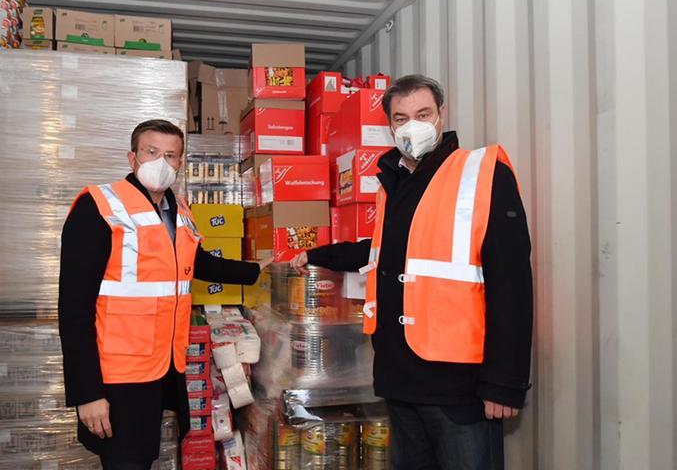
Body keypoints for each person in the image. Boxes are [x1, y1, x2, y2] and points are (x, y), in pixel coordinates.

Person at [290, 75, 533, 470]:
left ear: (441, 115)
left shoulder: (481, 173)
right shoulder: (395, 182)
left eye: (423, 113)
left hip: (459, 386)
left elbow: (513, 284)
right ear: (389, 125)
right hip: (399, 377)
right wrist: (316, 254)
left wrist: (505, 383)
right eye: (401, 118)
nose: (412, 125)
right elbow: (383, 254)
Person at [59, 119, 271, 470]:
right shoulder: (99, 207)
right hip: (117, 374)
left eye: (170, 155)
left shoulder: (180, 211)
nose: (161, 162)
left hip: (163, 365)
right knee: (126, 461)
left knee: (143, 456)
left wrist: (255, 269)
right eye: (151, 152)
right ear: (133, 158)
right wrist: (87, 393)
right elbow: (73, 308)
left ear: (180, 164)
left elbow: (196, 263)